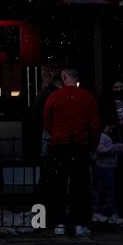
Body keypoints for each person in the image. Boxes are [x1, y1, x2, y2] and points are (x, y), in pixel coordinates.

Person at [42, 67, 100, 236]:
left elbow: (46, 122)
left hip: (60, 145)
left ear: (64, 76)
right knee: (80, 187)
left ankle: (59, 222)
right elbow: (95, 126)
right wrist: (93, 146)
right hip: (80, 146)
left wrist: (56, 135)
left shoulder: (54, 96)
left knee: (58, 185)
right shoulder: (88, 97)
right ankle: (79, 223)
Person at [91, 107, 123, 226]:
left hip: (104, 166)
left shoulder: (102, 136)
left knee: (102, 190)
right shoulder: (104, 137)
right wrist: (115, 148)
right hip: (106, 167)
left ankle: (98, 211)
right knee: (110, 191)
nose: (111, 129)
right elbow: (101, 150)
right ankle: (112, 213)